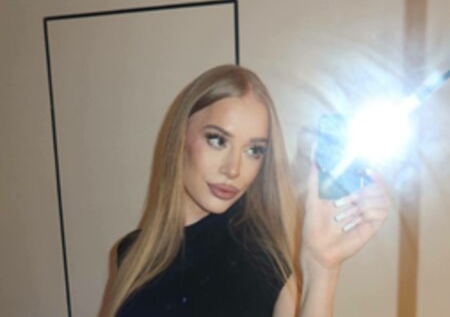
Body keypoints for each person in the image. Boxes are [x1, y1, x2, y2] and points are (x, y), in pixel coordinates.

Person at [100, 64, 391, 317]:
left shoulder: (265, 264)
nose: (233, 169)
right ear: (180, 136)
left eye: (254, 150)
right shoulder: (131, 253)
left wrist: (322, 268)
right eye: (217, 140)